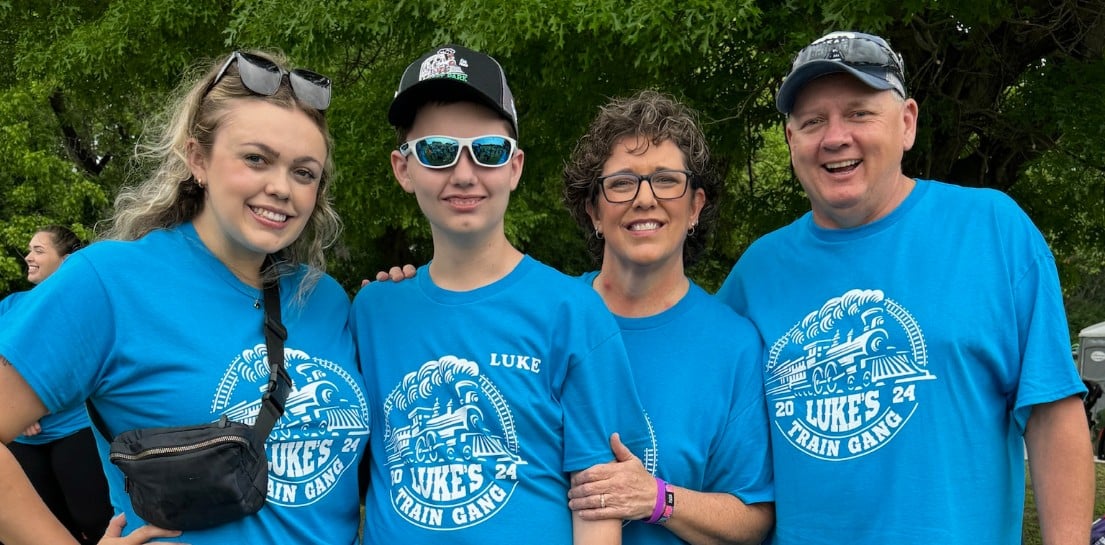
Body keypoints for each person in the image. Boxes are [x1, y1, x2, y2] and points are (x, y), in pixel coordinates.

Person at [715, 30, 1093, 544]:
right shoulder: (756, 273)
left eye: (859, 113)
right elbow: (711, 426)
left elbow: (1052, 414)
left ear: (907, 123)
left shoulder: (992, 230)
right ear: (791, 140)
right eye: (812, 121)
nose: (835, 137)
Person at [0, 49, 369, 544]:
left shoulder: (324, 299)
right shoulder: (109, 282)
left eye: (304, 172)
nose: (282, 188)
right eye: (256, 159)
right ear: (198, 159)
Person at [351, 44, 651, 545]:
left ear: (514, 166)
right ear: (403, 169)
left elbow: (598, 504)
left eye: (487, 151)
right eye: (437, 151)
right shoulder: (372, 311)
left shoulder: (573, 312)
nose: (464, 174)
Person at [560, 90, 774, 544]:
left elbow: (753, 520)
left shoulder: (733, 346)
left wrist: (656, 499)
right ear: (593, 210)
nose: (645, 199)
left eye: (665, 180)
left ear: (695, 206)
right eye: (622, 183)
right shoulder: (548, 318)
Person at [0, 226, 112, 545]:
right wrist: (16, 409)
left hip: (73, 431)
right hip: (23, 440)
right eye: (29, 249)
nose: (28, 256)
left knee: (94, 519)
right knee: (44, 525)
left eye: (39, 250)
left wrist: (33, 404)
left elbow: (91, 363)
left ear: (65, 259)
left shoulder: (84, 307)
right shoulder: (10, 305)